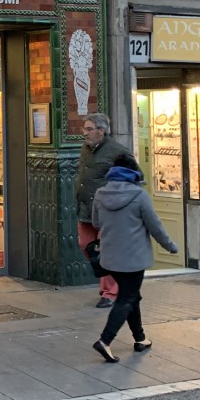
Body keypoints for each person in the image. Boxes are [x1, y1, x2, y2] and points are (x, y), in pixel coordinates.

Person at [91, 155, 178, 362]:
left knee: (132, 296)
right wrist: (170, 246)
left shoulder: (100, 194)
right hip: (133, 259)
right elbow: (155, 226)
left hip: (110, 257)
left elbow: (96, 223)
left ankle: (140, 338)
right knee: (127, 298)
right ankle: (105, 340)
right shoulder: (139, 195)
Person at [76, 113, 134, 308]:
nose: (85, 133)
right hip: (86, 209)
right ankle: (116, 280)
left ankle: (110, 292)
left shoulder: (118, 152)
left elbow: (134, 178)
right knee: (86, 245)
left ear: (101, 131)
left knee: (106, 251)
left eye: (89, 129)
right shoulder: (86, 149)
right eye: (84, 129)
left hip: (107, 211)